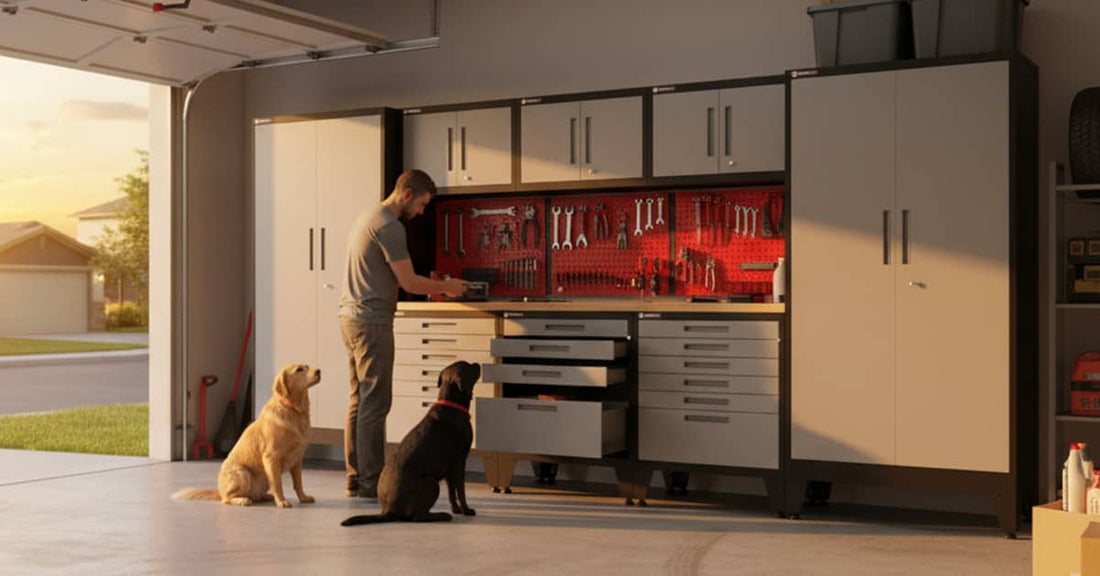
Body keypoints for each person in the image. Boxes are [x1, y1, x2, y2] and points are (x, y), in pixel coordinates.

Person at [338, 169, 467, 498]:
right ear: (408, 193)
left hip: (350, 317)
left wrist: (436, 283)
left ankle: (356, 477)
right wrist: (447, 287)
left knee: (360, 400)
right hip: (372, 322)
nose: (422, 211)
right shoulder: (390, 226)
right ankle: (370, 482)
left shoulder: (369, 215)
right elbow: (409, 282)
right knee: (376, 403)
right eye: (422, 204)